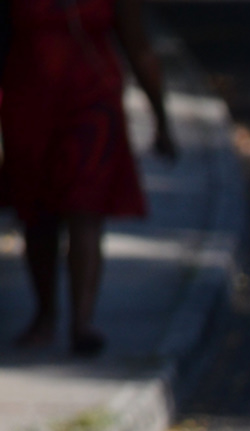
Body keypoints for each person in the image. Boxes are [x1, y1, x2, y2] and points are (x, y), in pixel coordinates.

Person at [1, 0, 177, 355]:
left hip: (92, 101)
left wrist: (161, 120)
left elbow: (138, 47)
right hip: (28, 104)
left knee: (86, 206)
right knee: (37, 213)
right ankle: (45, 314)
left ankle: (82, 324)